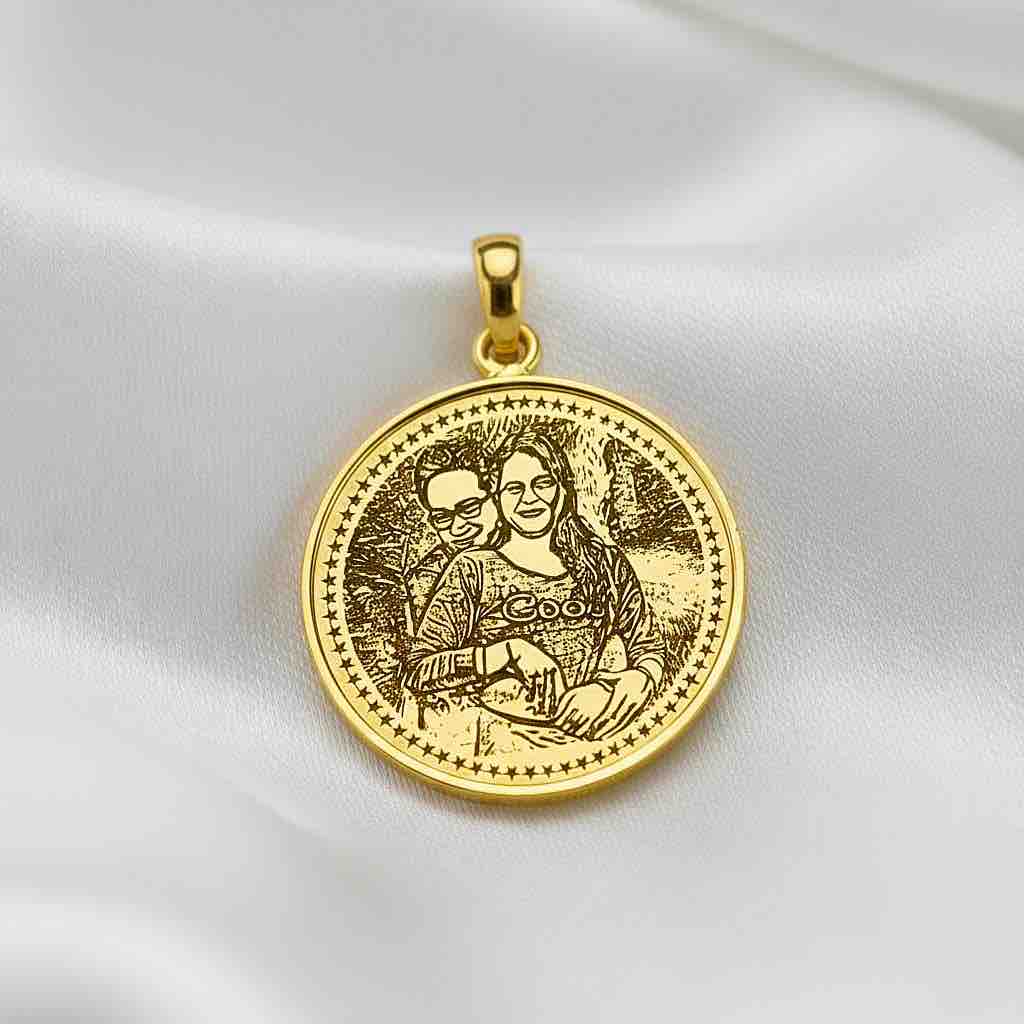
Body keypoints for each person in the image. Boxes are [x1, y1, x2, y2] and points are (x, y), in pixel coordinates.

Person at [405, 429, 665, 755]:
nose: (529, 498)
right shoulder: (472, 568)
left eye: (542, 483)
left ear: (562, 489)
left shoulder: (607, 562)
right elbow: (419, 670)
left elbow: (648, 646)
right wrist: (506, 653)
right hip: (502, 750)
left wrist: (638, 680)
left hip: (598, 743)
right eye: (514, 488)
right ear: (497, 496)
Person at [406, 442, 499, 626]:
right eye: (442, 517)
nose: (458, 528)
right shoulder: (426, 582)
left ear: (496, 497)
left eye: (469, 508)